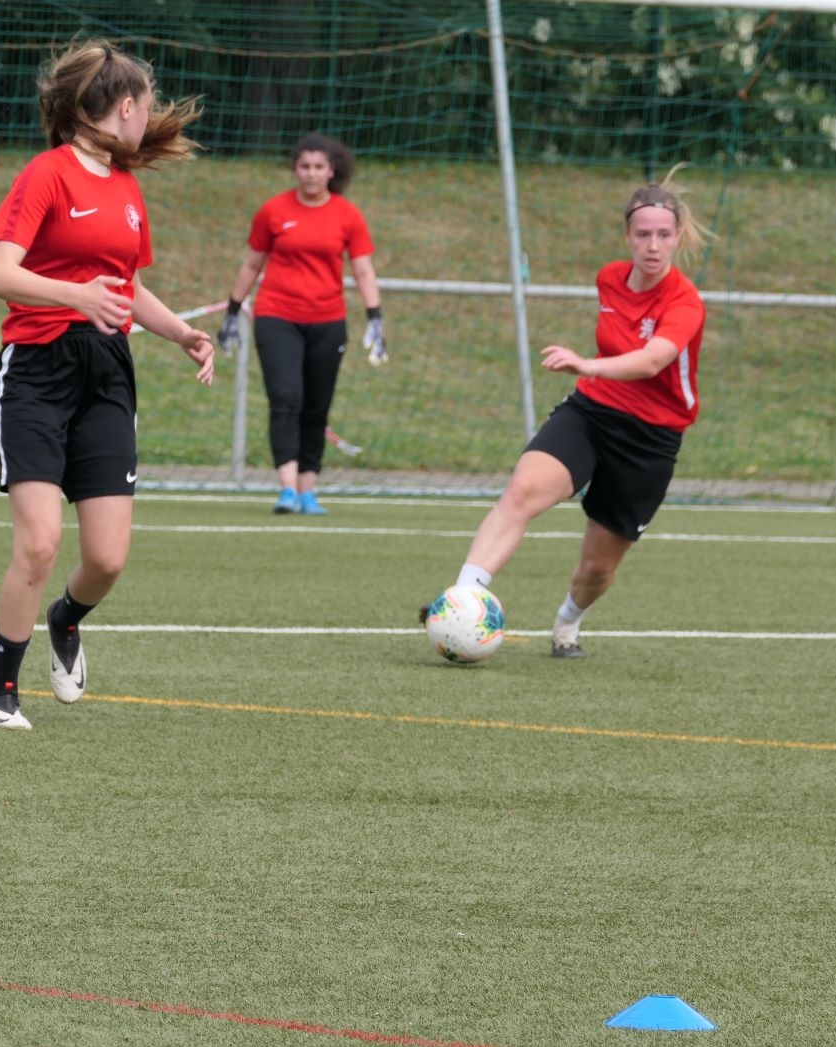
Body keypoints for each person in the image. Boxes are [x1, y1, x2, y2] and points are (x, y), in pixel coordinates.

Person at [0, 39, 212, 730]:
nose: (152, 115)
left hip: (107, 373)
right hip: (36, 372)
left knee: (106, 560)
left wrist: (181, 332)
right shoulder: (47, 173)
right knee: (40, 543)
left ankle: (66, 618)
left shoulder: (126, 187)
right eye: (148, 102)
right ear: (127, 105)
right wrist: (76, 296)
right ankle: (1, 692)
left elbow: (127, 287)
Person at [424, 167, 712, 658]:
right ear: (627, 235)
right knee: (521, 492)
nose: (653, 246)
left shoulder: (685, 301)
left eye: (664, 235)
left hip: (650, 439)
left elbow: (653, 360)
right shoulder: (609, 279)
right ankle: (463, 600)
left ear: (678, 236)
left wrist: (588, 364)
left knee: (597, 568)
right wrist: (591, 376)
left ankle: (567, 623)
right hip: (592, 412)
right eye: (642, 234)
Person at [216, 134, 385, 515]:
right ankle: (287, 489)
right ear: (295, 169)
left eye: (318, 167)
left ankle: (309, 490)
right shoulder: (273, 211)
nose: (310, 173)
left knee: (316, 405)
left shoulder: (347, 215)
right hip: (277, 316)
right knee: (286, 398)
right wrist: (232, 310)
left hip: (328, 320)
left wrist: (375, 317)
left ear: (331, 171)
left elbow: (363, 269)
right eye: (304, 166)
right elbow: (252, 263)